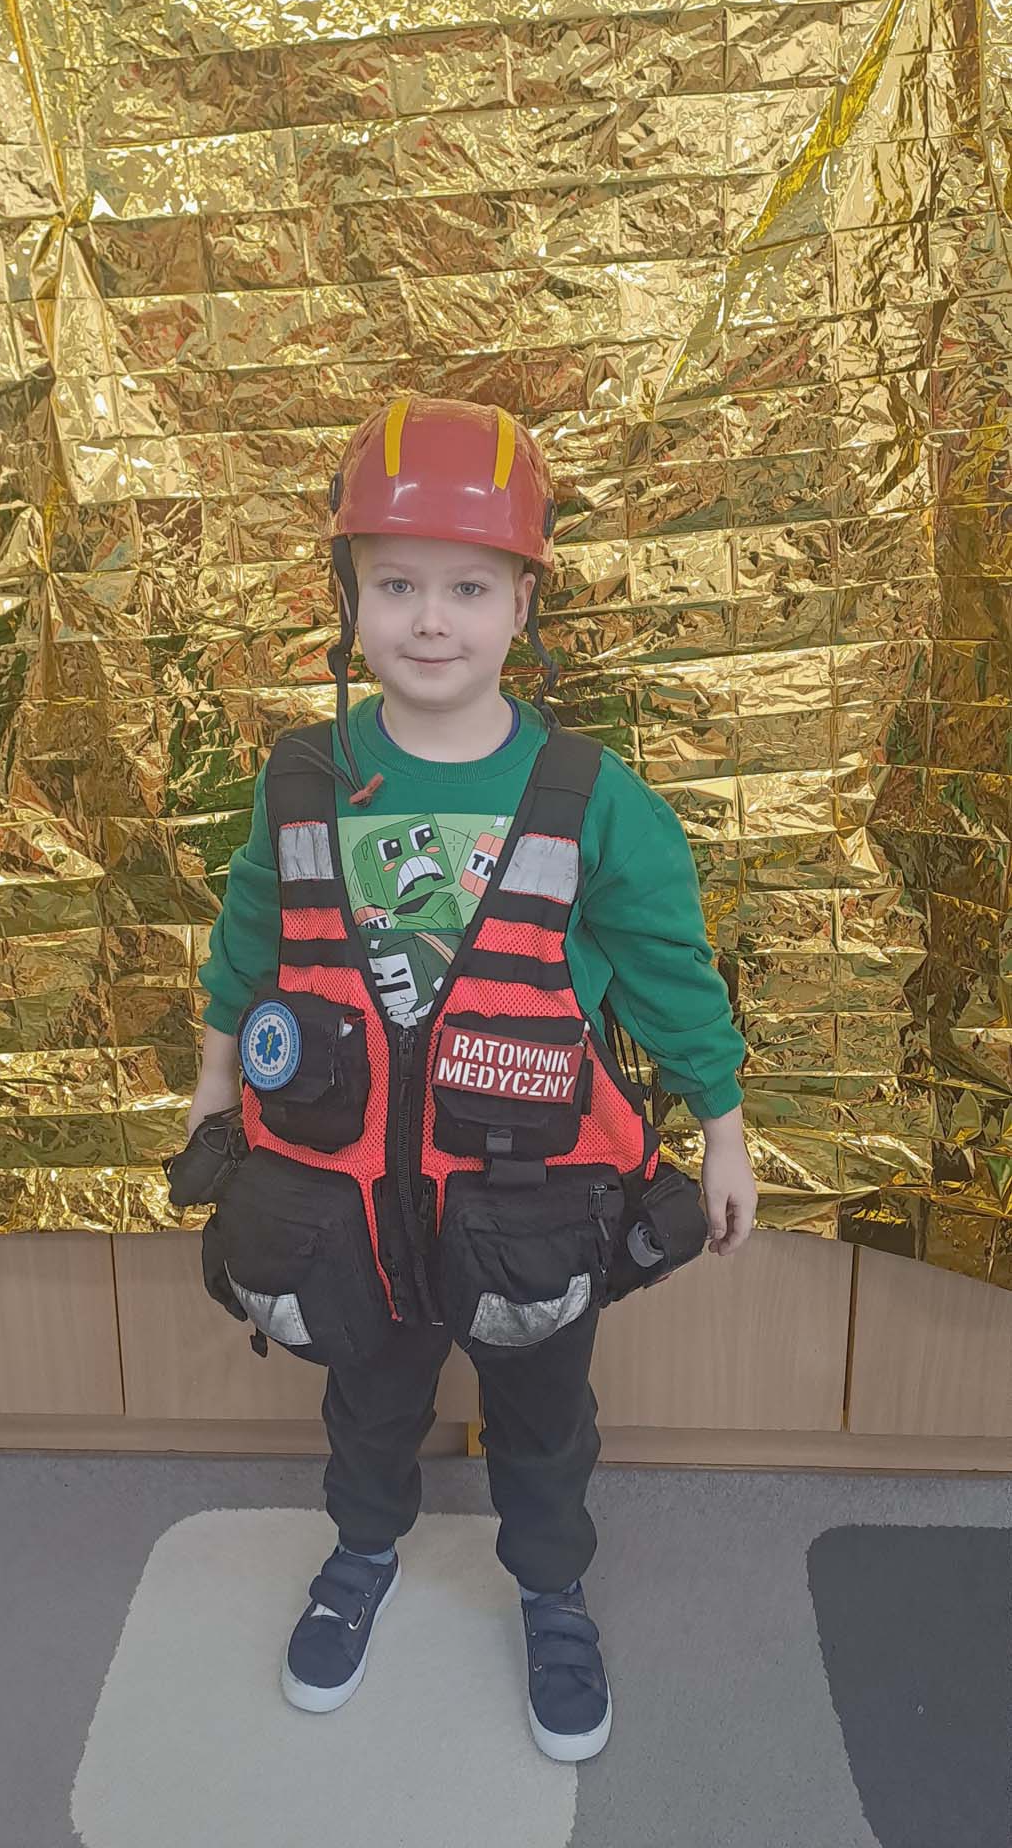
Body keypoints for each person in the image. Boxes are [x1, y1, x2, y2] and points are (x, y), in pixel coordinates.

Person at [182, 394, 757, 1764]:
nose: (429, 621)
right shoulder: (304, 776)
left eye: (467, 588)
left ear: (521, 605)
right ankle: (362, 1556)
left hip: (527, 1205)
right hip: (343, 1202)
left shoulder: (590, 793)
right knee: (366, 1404)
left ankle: (551, 1595)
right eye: (395, 586)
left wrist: (723, 1129)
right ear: (350, 598)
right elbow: (247, 939)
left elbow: (668, 969)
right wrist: (210, 1092)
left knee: (543, 1418)